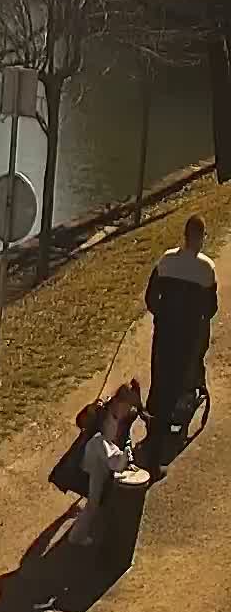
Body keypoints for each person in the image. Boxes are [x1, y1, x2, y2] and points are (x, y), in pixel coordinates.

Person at [146, 216, 219, 434]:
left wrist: (162, 315)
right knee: (194, 354)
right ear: (200, 238)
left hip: (166, 329)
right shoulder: (207, 268)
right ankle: (185, 397)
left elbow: (151, 298)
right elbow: (211, 308)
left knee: (161, 367)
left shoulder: (165, 261)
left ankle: (156, 408)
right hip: (190, 332)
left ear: (184, 236)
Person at [72, 382, 141, 548]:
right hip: (97, 457)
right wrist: (91, 409)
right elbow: (82, 421)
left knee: (100, 495)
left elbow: (124, 438)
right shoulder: (103, 413)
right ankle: (77, 535)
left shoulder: (123, 416)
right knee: (93, 502)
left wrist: (128, 458)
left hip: (104, 457)